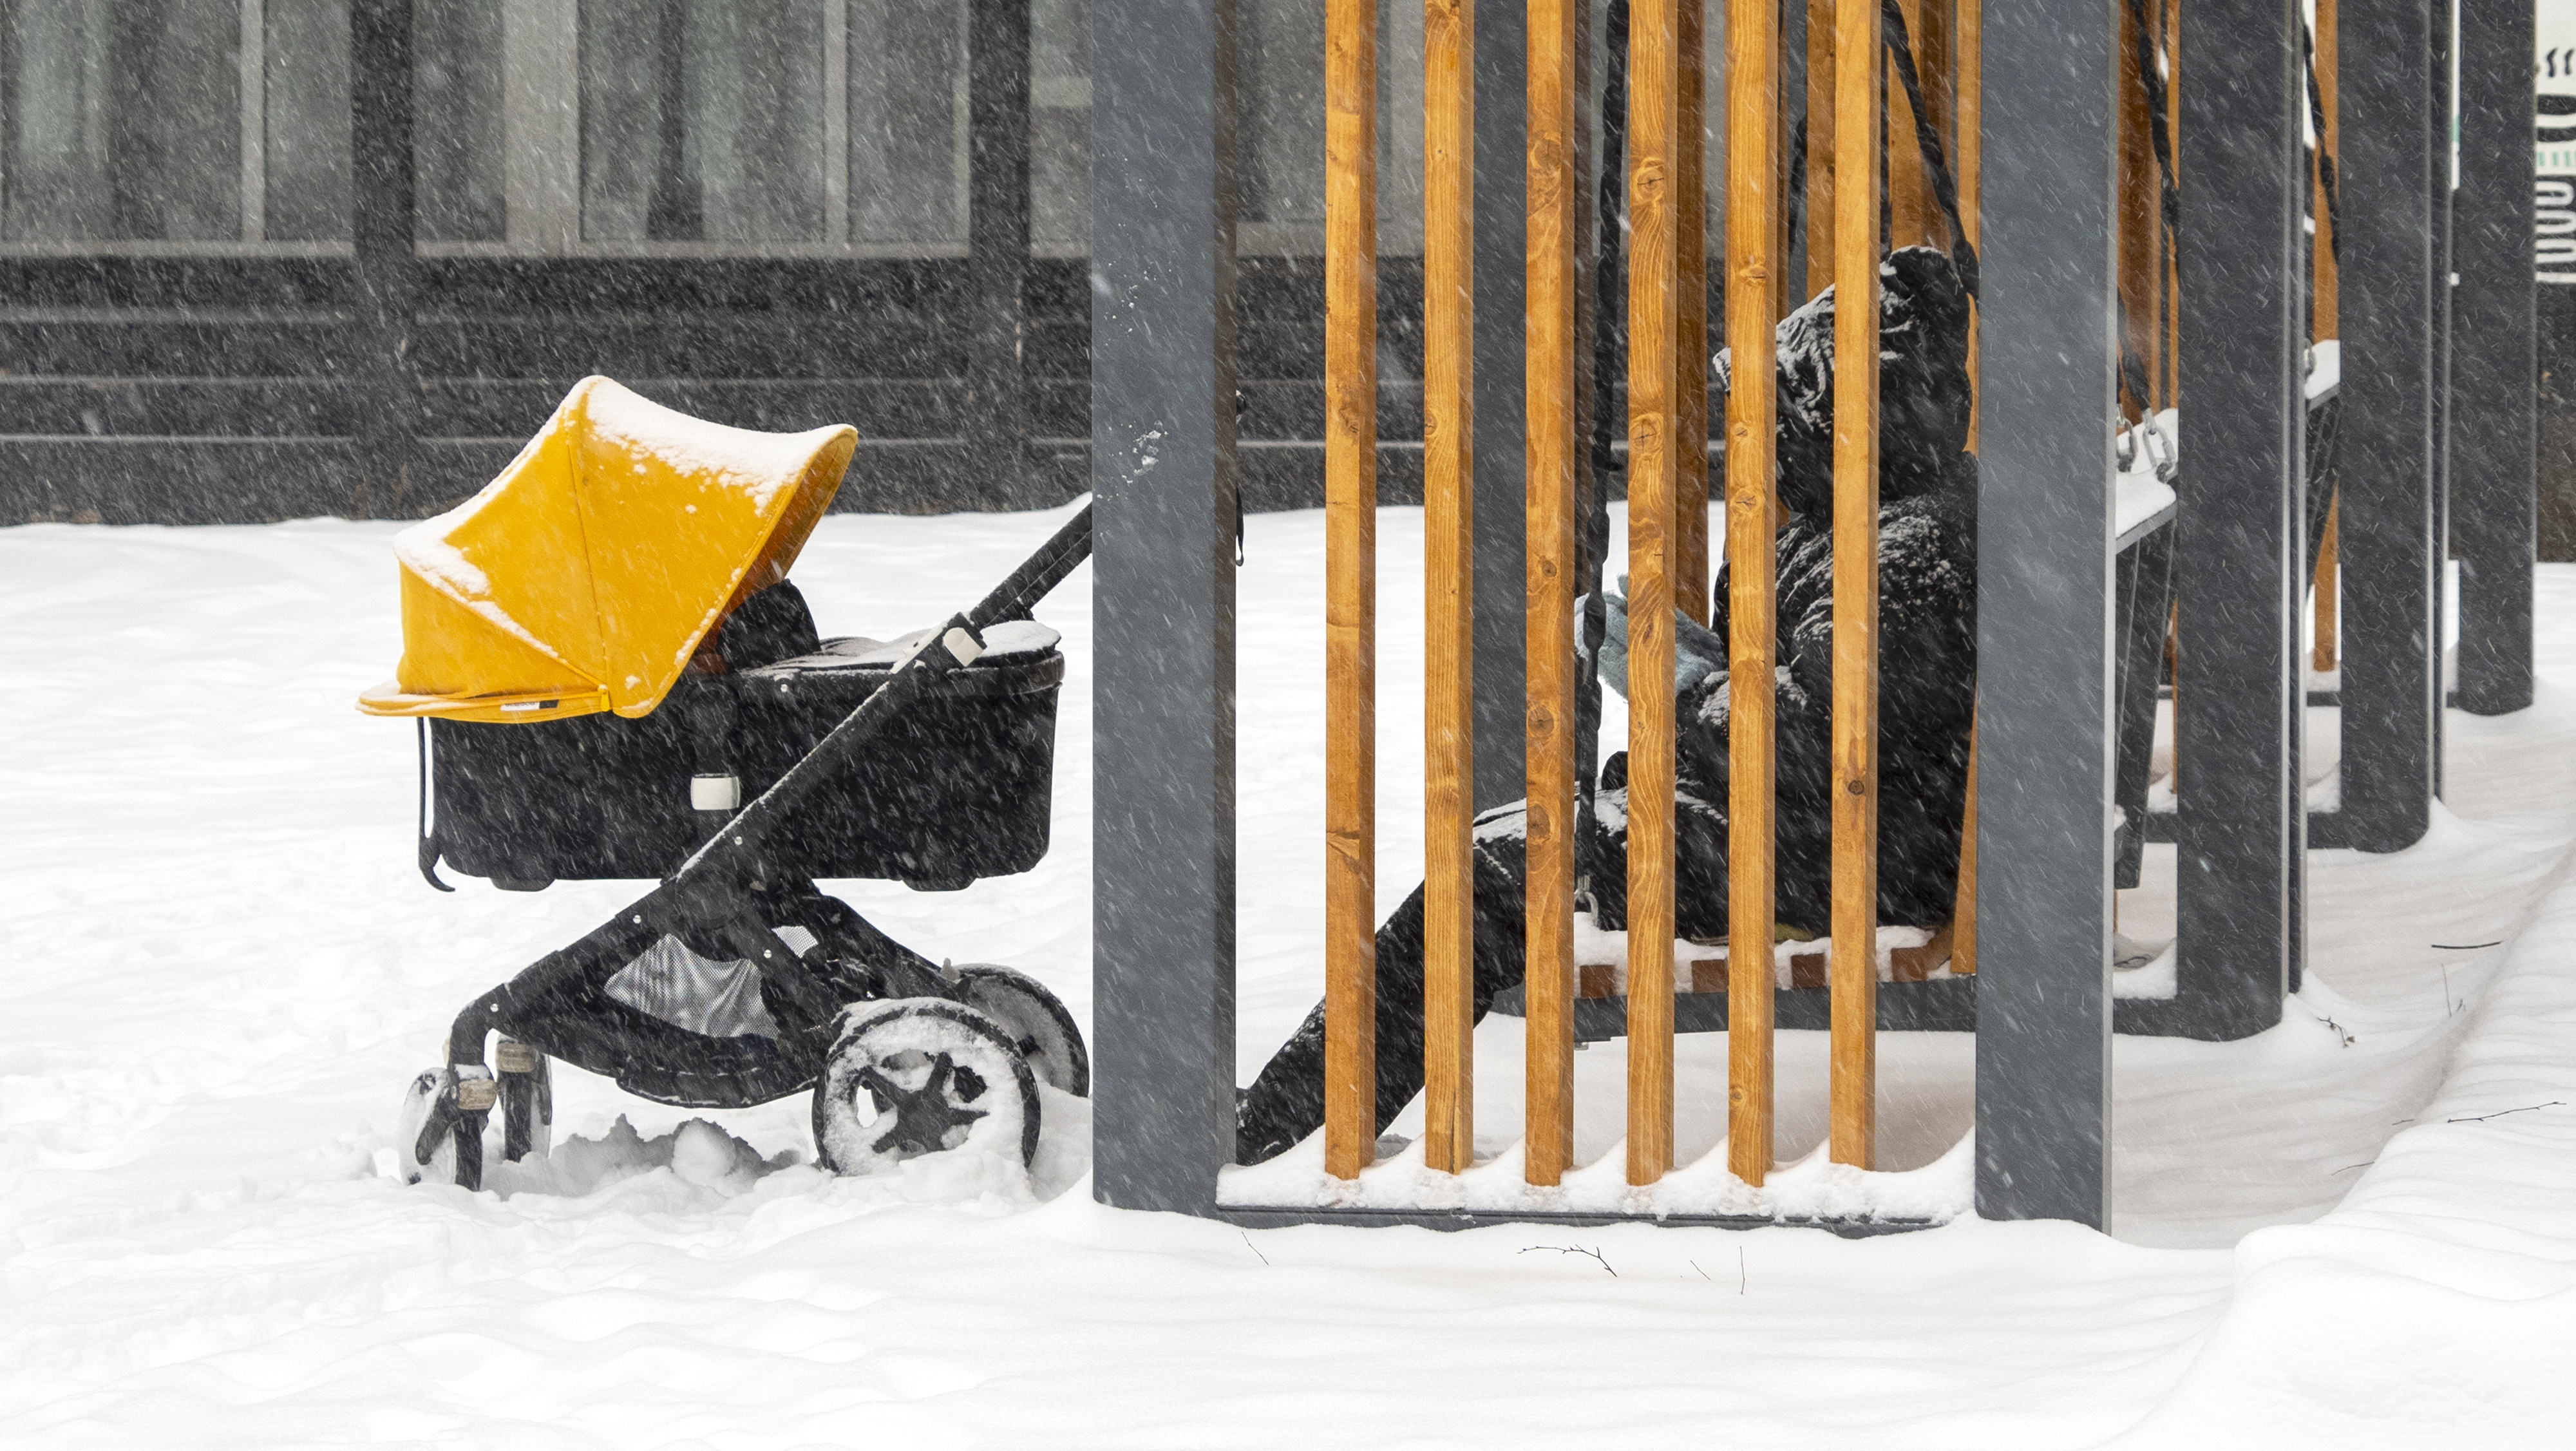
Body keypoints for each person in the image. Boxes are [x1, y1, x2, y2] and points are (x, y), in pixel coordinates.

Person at [1237, 247, 1980, 1165]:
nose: (1760, 437)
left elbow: (1831, 744)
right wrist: (1700, 658)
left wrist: (1686, 688)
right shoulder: (1880, 527)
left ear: (1845, 417)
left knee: (1494, 874)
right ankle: (1303, 1097)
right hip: (1831, 837)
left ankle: (1289, 1119)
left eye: (1778, 415)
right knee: (1502, 855)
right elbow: (1842, 707)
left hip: (1839, 862)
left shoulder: (1899, 552)